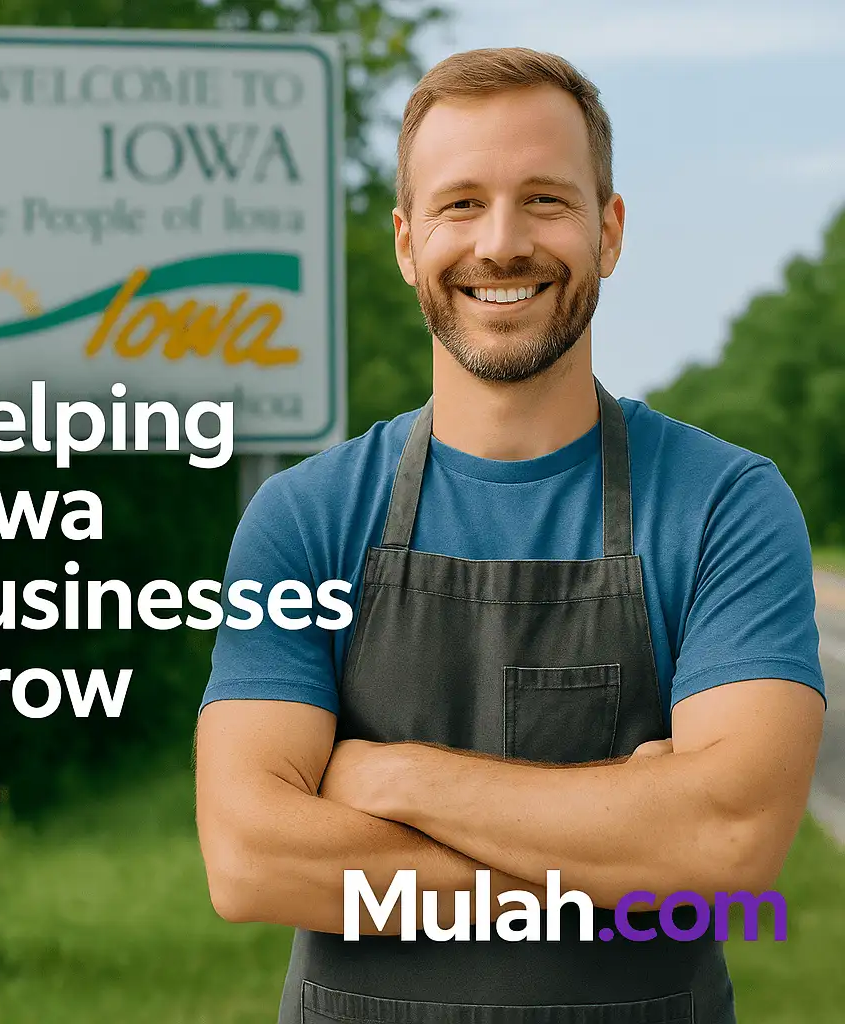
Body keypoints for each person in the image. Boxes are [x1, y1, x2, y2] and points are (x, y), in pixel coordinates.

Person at [194, 47, 826, 1024]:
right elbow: (249, 858)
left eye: (543, 200)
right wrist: (618, 854)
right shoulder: (307, 518)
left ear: (607, 231)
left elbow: (725, 846)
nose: (501, 243)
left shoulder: (722, 506)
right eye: (459, 204)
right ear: (407, 242)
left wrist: (390, 774)